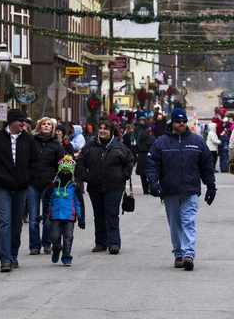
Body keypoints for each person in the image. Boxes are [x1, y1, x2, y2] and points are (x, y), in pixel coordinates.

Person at [146, 107, 216, 271]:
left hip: (190, 190)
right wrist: (153, 182)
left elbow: (207, 165)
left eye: (184, 121)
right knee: (175, 224)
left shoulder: (197, 142)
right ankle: (178, 253)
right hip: (169, 190)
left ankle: (188, 254)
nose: (182, 124)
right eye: (178, 121)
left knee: (189, 222)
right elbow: (152, 164)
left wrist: (211, 186)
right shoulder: (161, 142)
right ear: (172, 122)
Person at [0, 108, 40, 272]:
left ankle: (13, 255)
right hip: (2, 188)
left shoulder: (28, 140)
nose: (23, 124)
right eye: (20, 120)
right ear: (11, 121)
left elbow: (35, 161)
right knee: (5, 222)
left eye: (24, 121)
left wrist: (28, 178)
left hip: (21, 188)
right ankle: (5, 259)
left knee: (16, 224)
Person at [75, 119, 134, 255]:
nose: (102, 131)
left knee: (111, 214)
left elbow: (129, 161)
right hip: (95, 186)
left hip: (114, 186)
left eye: (105, 129)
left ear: (111, 131)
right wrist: (86, 177)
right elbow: (80, 162)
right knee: (99, 214)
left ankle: (114, 243)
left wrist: (123, 175)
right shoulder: (91, 145)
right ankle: (101, 242)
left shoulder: (119, 146)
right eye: (100, 128)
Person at [27, 117, 64, 255]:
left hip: (49, 184)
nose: (46, 126)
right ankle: (34, 246)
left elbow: (60, 165)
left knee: (48, 216)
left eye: (49, 124)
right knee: (33, 217)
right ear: (39, 126)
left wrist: (57, 180)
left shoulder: (56, 145)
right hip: (33, 183)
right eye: (44, 124)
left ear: (52, 128)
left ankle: (47, 242)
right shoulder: (32, 141)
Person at [42, 154, 85, 267]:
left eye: (67, 172)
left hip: (69, 216)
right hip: (55, 215)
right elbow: (48, 201)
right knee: (54, 237)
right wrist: (44, 214)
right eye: (63, 172)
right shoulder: (53, 184)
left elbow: (79, 203)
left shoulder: (75, 186)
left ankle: (67, 256)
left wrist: (81, 218)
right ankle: (56, 249)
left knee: (68, 237)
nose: (65, 174)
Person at [135, 124, 154, 194]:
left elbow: (136, 149)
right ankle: (151, 188)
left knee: (142, 175)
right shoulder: (151, 139)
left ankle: (145, 190)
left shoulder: (140, 139)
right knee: (150, 174)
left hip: (141, 157)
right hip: (149, 156)